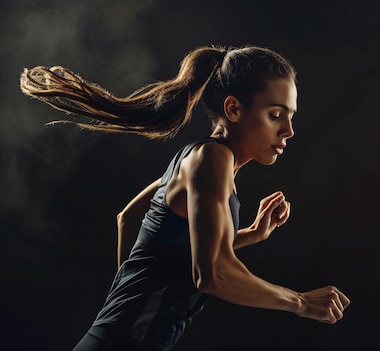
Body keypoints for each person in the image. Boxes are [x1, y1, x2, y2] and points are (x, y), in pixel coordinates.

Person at [20, 44, 350, 350]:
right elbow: (212, 274)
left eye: (291, 116)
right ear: (233, 109)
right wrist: (300, 302)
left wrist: (250, 234)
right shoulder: (212, 159)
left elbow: (133, 218)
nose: (289, 130)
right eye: (276, 115)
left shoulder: (196, 160)